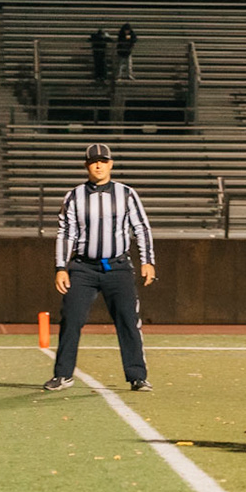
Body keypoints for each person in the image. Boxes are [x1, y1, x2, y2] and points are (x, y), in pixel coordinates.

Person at [46, 143, 157, 393]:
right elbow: (66, 233)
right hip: (83, 267)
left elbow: (141, 228)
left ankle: (137, 376)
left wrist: (148, 261)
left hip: (118, 265)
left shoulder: (126, 194)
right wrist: (61, 267)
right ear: (86, 165)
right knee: (71, 317)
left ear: (111, 164)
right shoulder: (74, 196)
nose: (99, 165)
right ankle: (63, 374)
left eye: (103, 161)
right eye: (94, 161)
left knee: (128, 320)